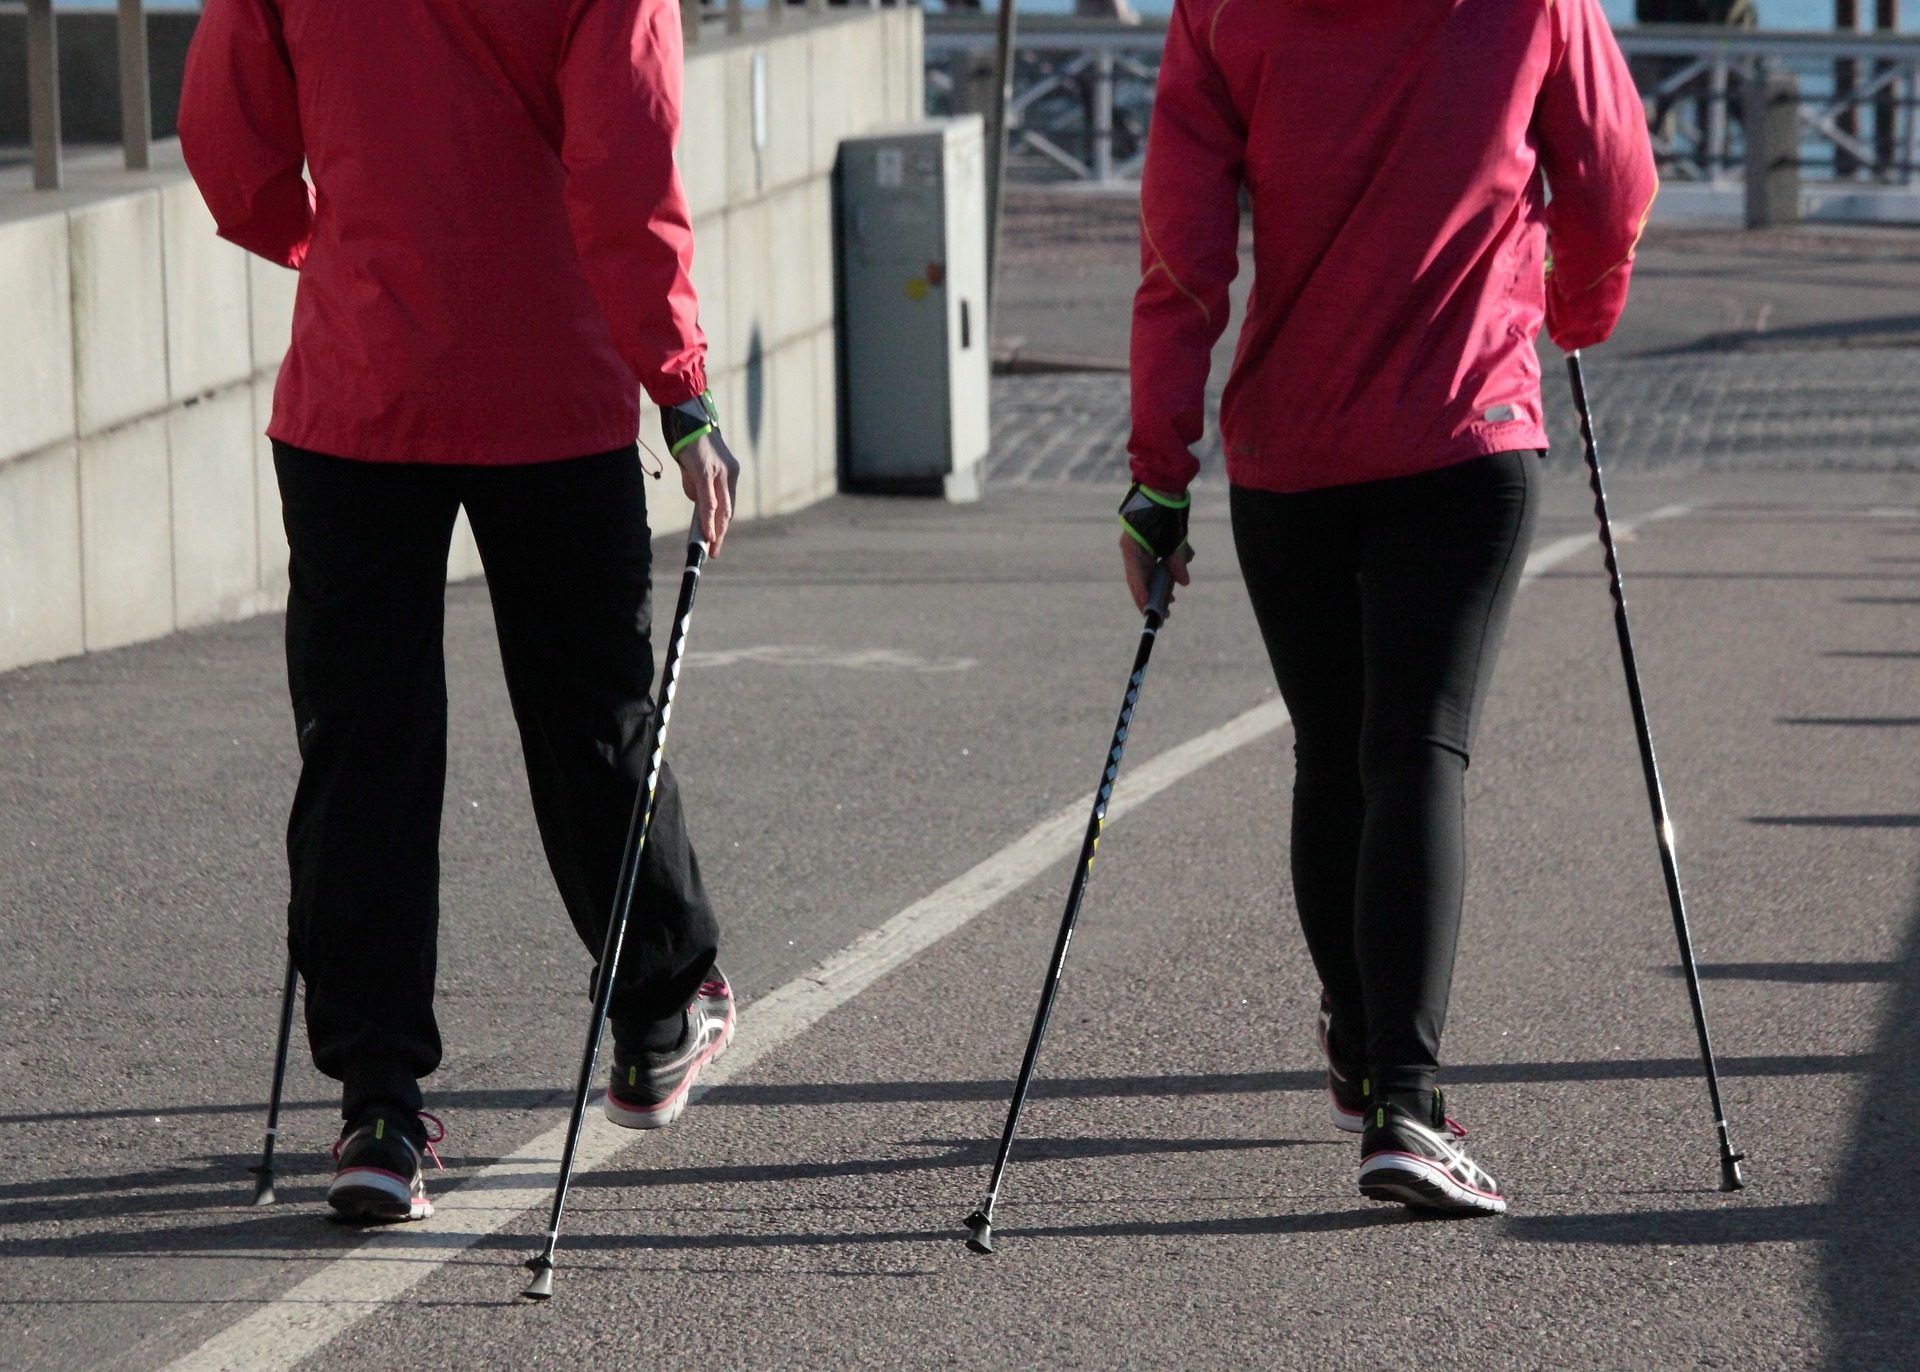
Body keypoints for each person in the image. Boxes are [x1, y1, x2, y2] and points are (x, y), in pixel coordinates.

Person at [179, 0, 742, 1223]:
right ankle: (655, 1004)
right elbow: (623, 165)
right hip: (550, 389)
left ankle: (378, 1107)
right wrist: (682, 387)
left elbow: (227, 144)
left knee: (362, 742)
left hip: (357, 384)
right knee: (590, 709)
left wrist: (331, 247)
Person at [1118, 0, 1656, 1215]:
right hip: (1467, 431)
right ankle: (1408, 1101)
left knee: (1334, 750)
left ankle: (1366, 1058)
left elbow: (1182, 244)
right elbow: (1615, 182)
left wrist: (1158, 470)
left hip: (1288, 450)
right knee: (1416, 743)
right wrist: (1576, 309)